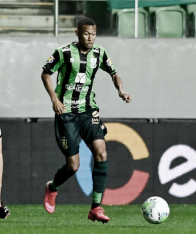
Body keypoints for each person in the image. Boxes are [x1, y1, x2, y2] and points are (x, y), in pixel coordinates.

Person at [41, 17, 131, 223]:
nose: (90, 38)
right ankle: (52, 187)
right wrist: (54, 99)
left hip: (88, 110)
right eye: (86, 34)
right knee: (73, 166)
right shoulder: (63, 52)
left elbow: (114, 73)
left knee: (101, 152)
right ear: (77, 33)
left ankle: (96, 207)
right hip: (67, 114)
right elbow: (45, 74)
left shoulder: (100, 53)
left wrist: (121, 90)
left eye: (93, 34)